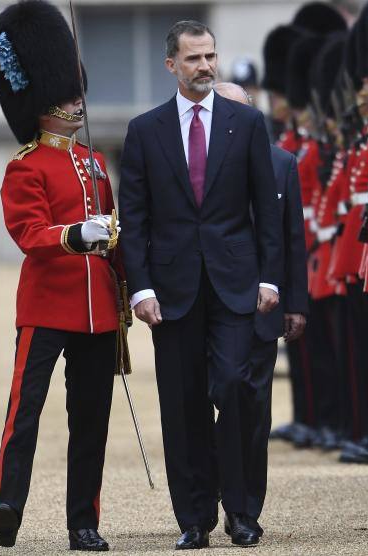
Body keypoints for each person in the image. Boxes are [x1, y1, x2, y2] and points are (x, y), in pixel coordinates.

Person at [119, 20, 282, 549]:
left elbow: (266, 209)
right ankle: (194, 517)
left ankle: (242, 510)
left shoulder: (247, 123)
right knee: (183, 402)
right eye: (194, 59)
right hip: (172, 290)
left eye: (210, 56)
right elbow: (135, 216)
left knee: (236, 390)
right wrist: (139, 288)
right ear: (172, 65)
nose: (206, 66)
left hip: (236, 283)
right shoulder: (145, 131)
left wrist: (269, 278)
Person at [0, 1, 122, 551]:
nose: (76, 101)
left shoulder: (94, 162)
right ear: (44, 103)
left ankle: (82, 521)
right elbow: (28, 232)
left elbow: (113, 233)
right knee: (25, 414)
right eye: (67, 94)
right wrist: (73, 236)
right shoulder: (25, 165)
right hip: (47, 306)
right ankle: (8, 503)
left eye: (76, 91)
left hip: (97, 311)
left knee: (90, 423)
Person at [214, 80, 309, 533]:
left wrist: (296, 304)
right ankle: (213, 491)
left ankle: (246, 507)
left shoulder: (282, 163)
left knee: (253, 408)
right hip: (210, 303)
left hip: (260, 305)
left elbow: (293, 240)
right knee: (215, 399)